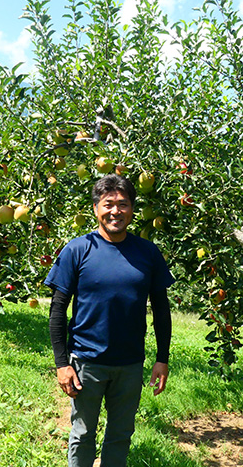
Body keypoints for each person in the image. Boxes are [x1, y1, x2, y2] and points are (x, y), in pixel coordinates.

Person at [46, 174, 174, 467]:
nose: (115, 211)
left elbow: (162, 310)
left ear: (132, 210)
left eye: (123, 204)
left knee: (121, 434)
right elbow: (58, 311)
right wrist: (62, 364)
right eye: (108, 204)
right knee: (82, 433)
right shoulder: (77, 250)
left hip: (130, 365)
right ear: (96, 209)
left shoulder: (148, 253)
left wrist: (162, 358)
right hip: (86, 363)